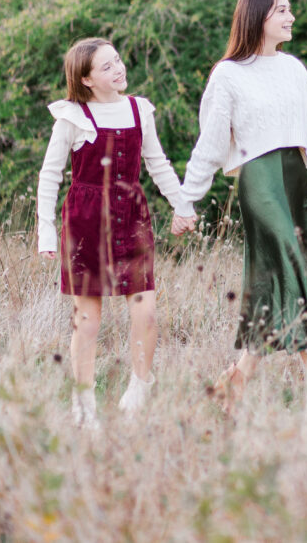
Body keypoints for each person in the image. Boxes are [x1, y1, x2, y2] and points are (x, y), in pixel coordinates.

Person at [170, 0, 307, 423]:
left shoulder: (293, 70)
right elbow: (210, 145)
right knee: (298, 270)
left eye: (291, 8)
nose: (291, 17)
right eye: (282, 10)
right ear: (258, 17)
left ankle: (236, 378)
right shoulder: (229, 75)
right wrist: (185, 200)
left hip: (293, 179)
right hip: (260, 182)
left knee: (278, 282)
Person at [38, 38, 184, 430]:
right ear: (86, 79)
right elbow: (50, 174)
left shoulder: (141, 108)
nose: (118, 69)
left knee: (147, 312)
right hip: (85, 219)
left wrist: (182, 205)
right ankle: (83, 403)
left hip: (131, 214)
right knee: (88, 318)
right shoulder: (73, 117)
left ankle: (140, 386)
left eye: (117, 60)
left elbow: (158, 163)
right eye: (106, 67)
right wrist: (45, 232)